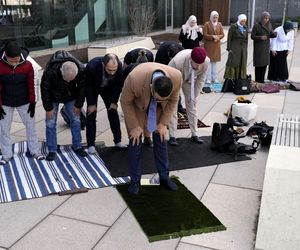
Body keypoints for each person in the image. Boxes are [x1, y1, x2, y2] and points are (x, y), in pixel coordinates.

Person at [120, 62, 182, 195]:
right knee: (135, 141)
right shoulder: (134, 79)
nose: (160, 100)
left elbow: (173, 100)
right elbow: (125, 102)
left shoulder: (177, 77)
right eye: (158, 98)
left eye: (163, 98)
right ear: (151, 87)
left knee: (161, 138)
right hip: (137, 106)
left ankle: (164, 177)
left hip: (159, 110)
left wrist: (163, 123)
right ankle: (135, 180)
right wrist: (135, 126)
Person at [0, 41, 44, 165]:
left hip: (24, 101)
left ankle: (35, 151)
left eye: (16, 60)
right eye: (11, 61)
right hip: (6, 102)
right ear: (5, 56)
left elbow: (32, 84)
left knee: (31, 127)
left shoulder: (28, 65)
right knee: (4, 129)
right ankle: (6, 155)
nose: (14, 63)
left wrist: (33, 102)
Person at [41, 50, 87, 161]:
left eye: (71, 80)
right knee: (50, 122)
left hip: (70, 96)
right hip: (53, 96)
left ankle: (77, 146)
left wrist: (78, 104)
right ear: (61, 70)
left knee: (76, 120)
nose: (68, 81)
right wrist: (48, 108)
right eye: (66, 79)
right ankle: (52, 149)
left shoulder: (80, 69)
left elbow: (82, 88)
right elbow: (45, 89)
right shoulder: (50, 71)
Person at [168, 47, 209, 146]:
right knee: (173, 105)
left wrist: (194, 96)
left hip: (189, 80)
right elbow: (170, 79)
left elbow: (201, 80)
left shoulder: (206, 61)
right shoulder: (177, 62)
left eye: (201, 64)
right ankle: (172, 135)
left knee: (192, 105)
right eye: (197, 64)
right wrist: (175, 95)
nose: (199, 67)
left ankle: (194, 134)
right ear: (191, 59)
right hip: (174, 78)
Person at [85, 53, 126, 154]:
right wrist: (91, 103)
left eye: (114, 70)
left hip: (109, 89)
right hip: (94, 88)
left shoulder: (119, 65)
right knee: (91, 113)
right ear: (103, 65)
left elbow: (118, 85)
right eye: (109, 70)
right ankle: (91, 145)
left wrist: (114, 102)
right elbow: (88, 85)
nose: (112, 73)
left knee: (113, 111)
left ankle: (118, 141)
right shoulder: (92, 66)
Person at [123, 49, 154, 147]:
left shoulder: (130, 68)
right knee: (142, 116)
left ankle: (135, 139)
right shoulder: (132, 70)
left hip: (145, 93)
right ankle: (145, 138)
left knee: (137, 116)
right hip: (133, 93)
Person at [155, 41, 186, 113]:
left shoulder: (182, 52)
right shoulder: (161, 51)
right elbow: (156, 66)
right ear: (168, 54)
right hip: (163, 67)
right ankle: (161, 104)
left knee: (176, 89)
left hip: (177, 69)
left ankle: (178, 106)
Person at [251, 11, 276, 83]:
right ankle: (257, 80)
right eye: (265, 18)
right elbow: (252, 36)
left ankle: (262, 79)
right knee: (258, 65)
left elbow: (270, 35)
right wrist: (260, 37)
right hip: (259, 48)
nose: (267, 20)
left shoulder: (269, 25)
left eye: (268, 18)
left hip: (266, 47)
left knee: (265, 64)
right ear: (262, 18)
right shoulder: (256, 26)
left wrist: (274, 34)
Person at [224, 14, 248, 80]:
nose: (243, 22)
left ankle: (240, 76)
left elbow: (246, 39)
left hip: (243, 48)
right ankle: (231, 76)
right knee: (233, 62)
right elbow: (229, 38)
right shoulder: (233, 27)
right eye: (242, 21)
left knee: (242, 61)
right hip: (234, 47)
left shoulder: (245, 27)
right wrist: (229, 48)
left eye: (245, 21)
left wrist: (246, 48)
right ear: (239, 20)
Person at [203, 11, 225, 84]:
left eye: (216, 17)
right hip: (209, 46)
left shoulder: (219, 24)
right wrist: (212, 37)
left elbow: (222, 34)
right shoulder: (207, 24)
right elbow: (205, 34)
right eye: (214, 17)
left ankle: (214, 78)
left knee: (214, 63)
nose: (215, 19)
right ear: (211, 17)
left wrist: (218, 37)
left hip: (216, 46)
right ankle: (208, 78)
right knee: (209, 62)